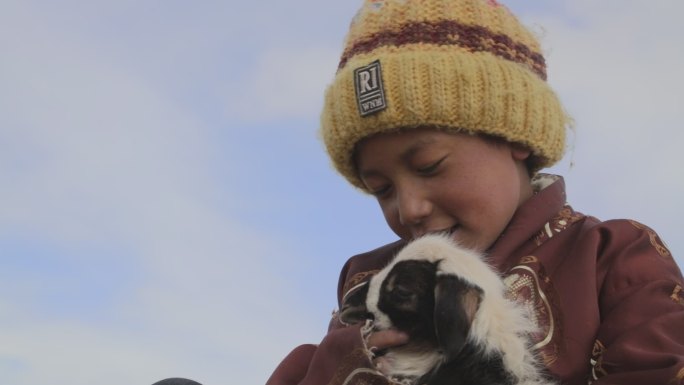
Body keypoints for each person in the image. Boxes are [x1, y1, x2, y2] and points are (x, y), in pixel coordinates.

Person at [266, 0, 684, 384]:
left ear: (515, 136)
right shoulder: (368, 278)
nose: (409, 209)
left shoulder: (612, 256)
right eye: (382, 189)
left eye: (429, 166)